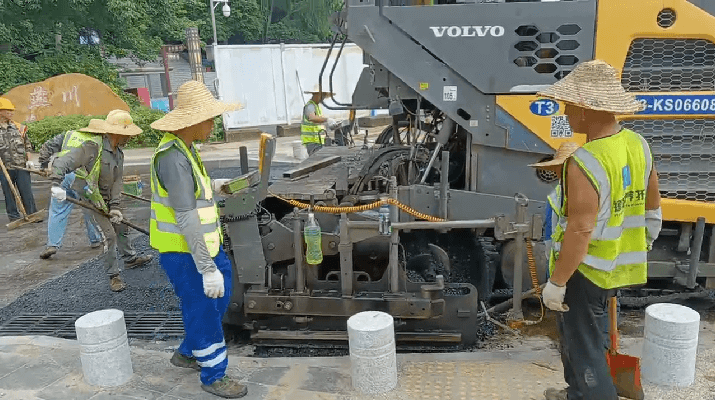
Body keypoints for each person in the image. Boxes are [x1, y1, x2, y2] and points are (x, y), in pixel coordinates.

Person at [538, 60, 662, 400]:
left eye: (568, 105)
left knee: (583, 343)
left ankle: (593, 394)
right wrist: (636, 245)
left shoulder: (586, 160)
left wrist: (557, 282)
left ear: (585, 109)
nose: (564, 112)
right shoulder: (638, 144)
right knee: (591, 334)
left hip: (587, 269)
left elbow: (580, 229)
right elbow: (652, 207)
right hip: (618, 266)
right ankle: (576, 392)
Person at [149, 80, 247, 398]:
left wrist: (218, 186)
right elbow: (186, 216)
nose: (213, 124)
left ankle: (188, 352)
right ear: (193, 121)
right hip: (186, 253)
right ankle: (214, 375)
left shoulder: (186, 150)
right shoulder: (173, 158)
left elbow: (194, 194)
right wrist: (206, 267)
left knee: (219, 298)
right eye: (210, 118)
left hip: (205, 247)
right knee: (204, 310)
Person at [49, 110, 153, 291]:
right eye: (126, 134)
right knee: (109, 236)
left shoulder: (118, 153)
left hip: (106, 198)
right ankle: (114, 275)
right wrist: (56, 184)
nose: (129, 138)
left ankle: (130, 259)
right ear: (116, 133)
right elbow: (63, 162)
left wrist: (115, 206)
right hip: (91, 197)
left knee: (121, 226)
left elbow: (117, 181)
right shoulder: (92, 147)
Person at [38, 133, 103, 258]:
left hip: (63, 175)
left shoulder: (69, 134)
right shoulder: (98, 141)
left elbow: (47, 146)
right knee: (89, 207)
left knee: (58, 210)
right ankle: (95, 239)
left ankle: (52, 244)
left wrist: (43, 166)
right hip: (81, 176)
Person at [0, 97, 38, 222]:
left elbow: (27, 145)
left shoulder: (18, 127)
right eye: (8, 110)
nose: (11, 113)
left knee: (26, 191)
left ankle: (32, 214)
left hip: (21, 166)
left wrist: (29, 160)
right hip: (4, 168)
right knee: (9, 194)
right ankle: (14, 217)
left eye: (12, 111)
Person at [301, 85, 338, 155]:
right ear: (316, 95)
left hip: (318, 140)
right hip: (312, 141)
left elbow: (319, 122)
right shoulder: (310, 106)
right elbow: (312, 118)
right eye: (322, 96)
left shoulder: (317, 106)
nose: (323, 98)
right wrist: (327, 119)